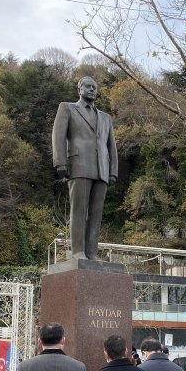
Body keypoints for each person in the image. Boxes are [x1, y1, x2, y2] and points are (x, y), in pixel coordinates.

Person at [51, 76, 118, 261]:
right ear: (79, 89)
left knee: (96, 214)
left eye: (94, 88)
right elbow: (58, 135)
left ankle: (91, 252)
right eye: (88, 86)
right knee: (78, 210)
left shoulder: (105, 117)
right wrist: (60, 162)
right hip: (79, 164)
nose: (91, 90)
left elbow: (111, 146)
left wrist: (113, 170)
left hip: (101, 168)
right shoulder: (67, 108)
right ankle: (78, 252)